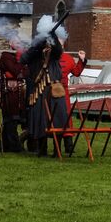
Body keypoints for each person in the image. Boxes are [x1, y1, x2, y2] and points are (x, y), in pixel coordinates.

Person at [24, 15, 70, 157]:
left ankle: (57, 150)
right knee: (40, 120)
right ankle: (42, 149)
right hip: (40, 90)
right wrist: (37, 46)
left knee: (58, 119)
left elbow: (58, 51)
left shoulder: (54, 53)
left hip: (54, 89)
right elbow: (23, 59)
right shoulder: (36, 53)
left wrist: (53, 37)